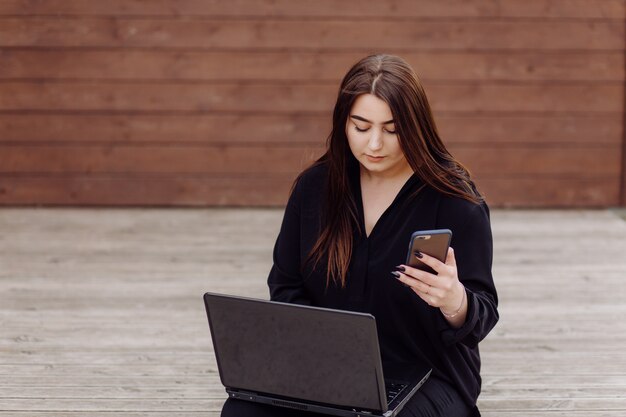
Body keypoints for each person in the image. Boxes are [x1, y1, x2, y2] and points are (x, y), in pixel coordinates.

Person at [221, 54, 499, 417]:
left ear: (415, 127)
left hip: (426, 373)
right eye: (361, 126)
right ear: (343, 123)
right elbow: (286, 286)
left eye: (392, 129)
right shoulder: (314, 188)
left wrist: (454, 301)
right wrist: (320, 357)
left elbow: (483, 312)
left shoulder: (455, 200)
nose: (374, 145)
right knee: (241, 411)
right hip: (327, 367)